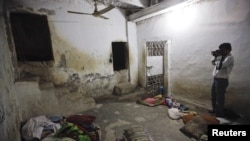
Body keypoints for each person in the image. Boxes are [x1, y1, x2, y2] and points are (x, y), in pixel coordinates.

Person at [209, 43, 234, 117]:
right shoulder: (221, 56)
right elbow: (213, 63)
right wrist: (214, 56)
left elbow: (220, 66)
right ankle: (214, 110)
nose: (221, 51)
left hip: (222, 80)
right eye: (220, 50)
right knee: (213, 96)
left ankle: (219, 114)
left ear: (228, 50)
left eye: (223, 50)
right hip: (215, 79)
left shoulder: (230, 58)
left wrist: (219, 57)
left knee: (219, 98)